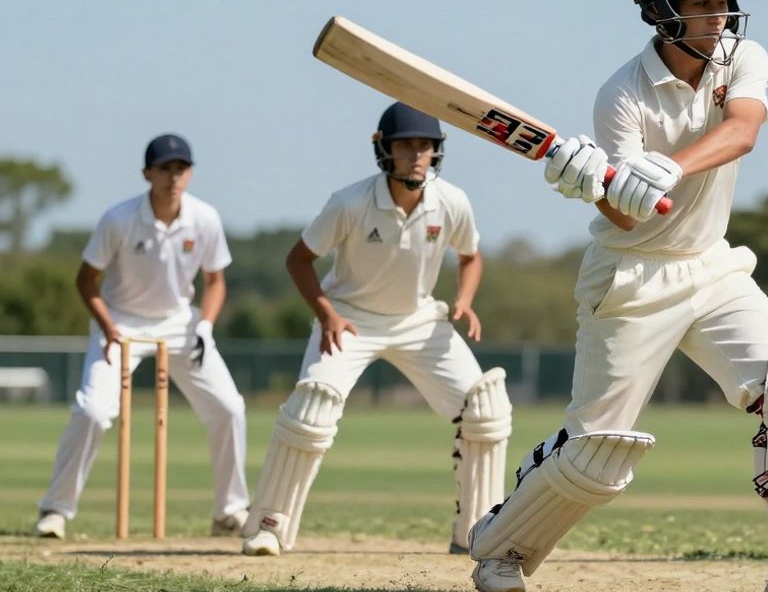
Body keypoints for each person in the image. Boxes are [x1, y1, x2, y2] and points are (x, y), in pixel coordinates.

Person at [467, 0, 768, 592]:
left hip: (713, 266)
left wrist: (672, 165)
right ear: (661, 12)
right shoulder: (621, 95)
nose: (719, 19)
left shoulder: (743, 59)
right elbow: (628, 219)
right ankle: (501, 546)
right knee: (597, 449)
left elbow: (744, 130)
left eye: (725, 6)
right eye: (703, 5)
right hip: (631, 278)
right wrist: (592, 184)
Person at [240, 103, 510, 557]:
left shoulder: (452, 201)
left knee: (484, 408)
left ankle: (476, 532)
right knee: (313, 406)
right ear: (383, 149)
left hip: (420, 321)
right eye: (406, 145)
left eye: (425, 146)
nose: (416, 155)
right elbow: (298, 260)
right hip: (350, 319)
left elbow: (471, 254)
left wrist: (464, 299)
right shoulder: (349, 202)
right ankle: (269, 525)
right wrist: (326, 313)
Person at [34, 134, 249, 539]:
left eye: (180, 169)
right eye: (164, 169)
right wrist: (107, 324)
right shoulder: (119, 219)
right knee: (93, 412)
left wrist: (205, 323)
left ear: (191, 173)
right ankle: (56, 510)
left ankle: (229, 511)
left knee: (229, 408)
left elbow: (216, 280)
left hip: (180, 323)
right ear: (146, 173)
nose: (173, 177)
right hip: (120, 321)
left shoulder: (204, 218)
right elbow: (86, 280)